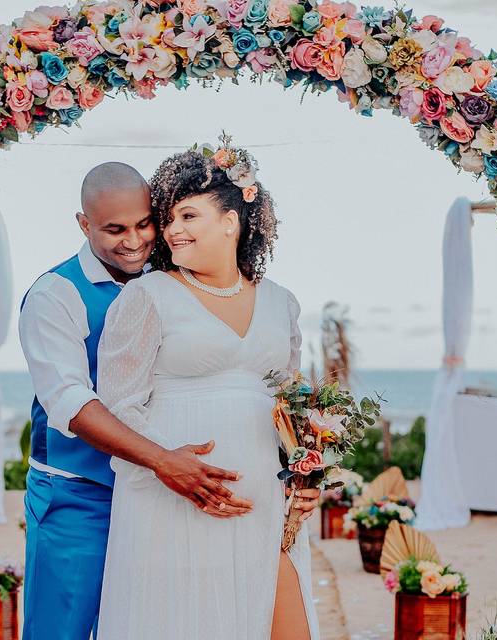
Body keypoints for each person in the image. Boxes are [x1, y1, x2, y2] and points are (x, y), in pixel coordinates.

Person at [18, 161, 272, 640]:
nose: (134, 241)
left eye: (143, 224)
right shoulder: (56, 294)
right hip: (80, 495)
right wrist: (161, 461)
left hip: (160, 495)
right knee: (63, 629)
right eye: (114, 230)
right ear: (83, 224)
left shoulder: (176, 279)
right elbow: (70, 402)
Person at [96, 143, 320, 639]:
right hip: (173, 499)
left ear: (232, 220)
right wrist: (172, 467)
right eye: (168, 218)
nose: (172, 230)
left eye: (188, 214)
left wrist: (310, 478)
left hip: (263, 499)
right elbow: (118, 406)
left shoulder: (282, 303)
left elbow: (297, 411)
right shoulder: (147, 296)